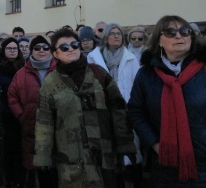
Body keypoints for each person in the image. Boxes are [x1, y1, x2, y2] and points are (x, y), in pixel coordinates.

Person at [128, 15, 206, 186]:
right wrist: (155, 144)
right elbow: (136, 112)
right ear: (159, 41)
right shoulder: (146, 74)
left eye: (185, 31)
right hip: (164, 166)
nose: (179, 36)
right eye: (171, 32)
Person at [34, 28, 137, 187]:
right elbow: (44, 122)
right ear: (55, 54)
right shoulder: (50, 83)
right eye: (64, 47)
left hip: (104, 153)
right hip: (70, 156)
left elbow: (118, 109)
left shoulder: (98, 73)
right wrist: (43, 156)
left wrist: (125, 144)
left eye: (74, 45)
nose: (71, 49)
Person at [87, 23, 143, 186]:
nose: (116, 36)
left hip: (126, 107)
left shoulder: (131, 58)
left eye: (119, 33)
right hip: (102, 108)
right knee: (107, 148)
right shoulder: (93, 57)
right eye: (112, 33)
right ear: (105, 37)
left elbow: (137, 84)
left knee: (129, 147)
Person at [7, 35, 58, 187]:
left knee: (57, 167)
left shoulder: (60, 69)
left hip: (58, 127)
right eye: (37, 48)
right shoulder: (22, 73)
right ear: (31, 51)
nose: (41, 50)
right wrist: (22, 115)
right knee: (36, 168)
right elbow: (12, 96)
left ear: (51, 50)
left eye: (45, 47)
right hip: (31, 128)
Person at [0, 37, 25, 188]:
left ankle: (19, 181)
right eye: (9, 49)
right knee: (6, 152)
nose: (12, 51)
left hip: (21, 115)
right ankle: (8, 180)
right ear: (3, 50)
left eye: (14, 49)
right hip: (4, 116)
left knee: (20, 151)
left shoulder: (24, 66)